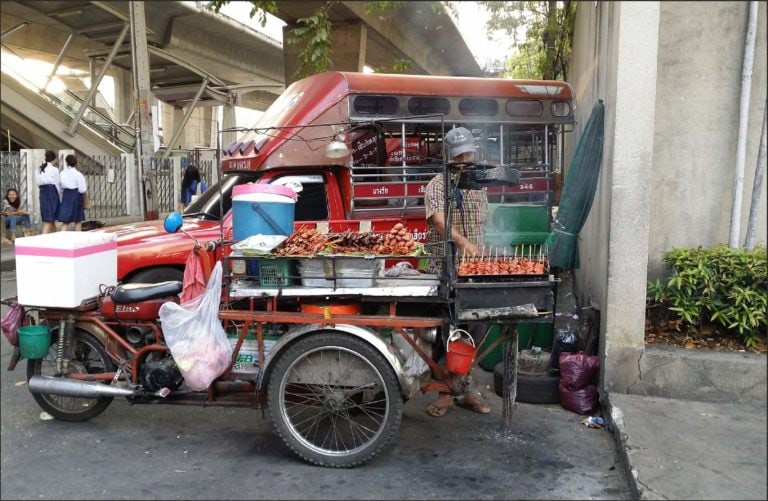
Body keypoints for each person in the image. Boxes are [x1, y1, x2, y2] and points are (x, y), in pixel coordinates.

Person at [423, 126, 491, 417]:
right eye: (459, 156)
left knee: (477, 328)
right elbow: (439, 221)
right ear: (448, 157)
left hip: (474, 270)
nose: (464, 161)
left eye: (468, 155)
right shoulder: (437, 185)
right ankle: (446, 391)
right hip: (445, 268)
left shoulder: (479, 185)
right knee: (448, 329)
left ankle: (464, 388)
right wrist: (464, 244)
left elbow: (485, 222)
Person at [57, 154, 87, 231]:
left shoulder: (62, 173)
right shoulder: (78, 174)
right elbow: (82, 189)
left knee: (66, 221)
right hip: (76, 195)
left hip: (66, 195)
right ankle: (78, 236)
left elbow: (60, 185)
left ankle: (61, 236)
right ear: (76, 163)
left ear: (66, 162)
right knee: (78, 220)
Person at [35, 150, 60, 234]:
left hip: (42, 192)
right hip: (51, 191)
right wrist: (59, 195)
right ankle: (43, 237)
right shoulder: (54, 169)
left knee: (48, 216)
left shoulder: (38, 169)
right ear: (54, 159)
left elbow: (37, 182)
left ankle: (55, 235)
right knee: (49, 218)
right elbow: (57, 183)